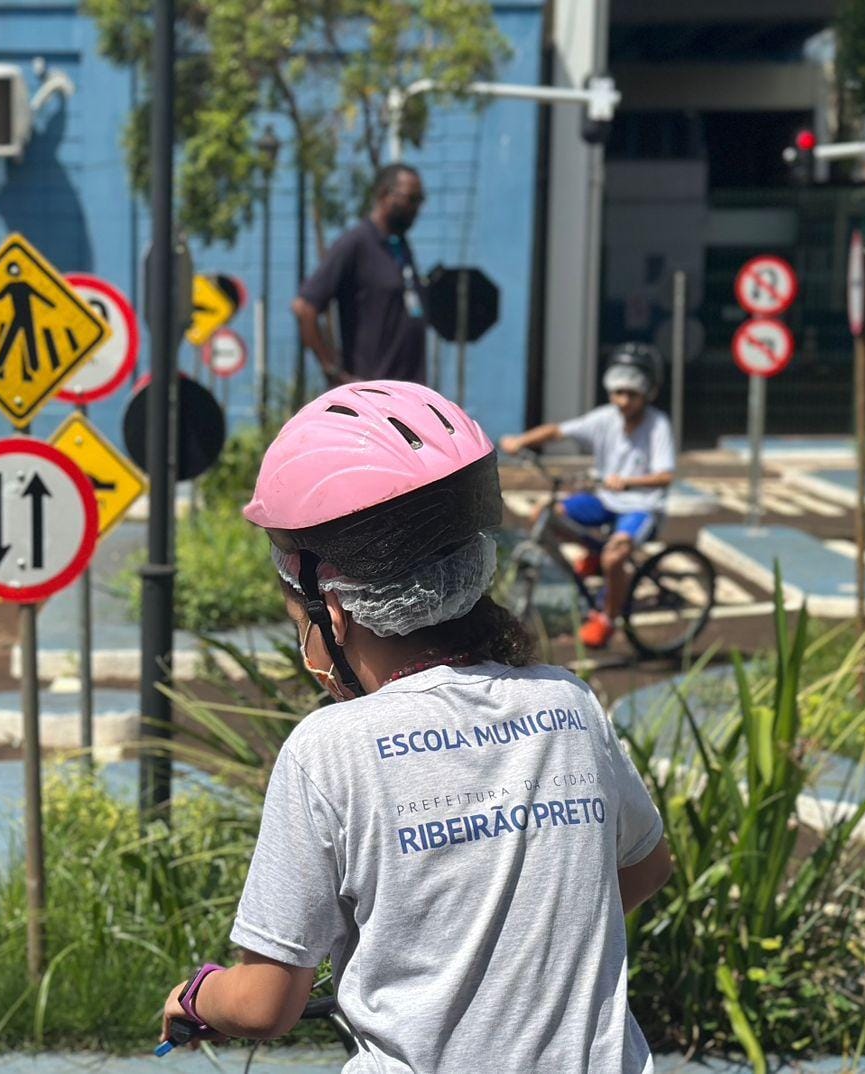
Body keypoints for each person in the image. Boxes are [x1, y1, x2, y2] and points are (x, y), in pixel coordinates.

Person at [157, 381, 673, 1072]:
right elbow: (646, 866)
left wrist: (198, 997)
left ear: (331, 610)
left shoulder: (329, 750)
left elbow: (264, 1003)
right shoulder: (568, 706)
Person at [499, 346, 676, 649]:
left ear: (649, 392)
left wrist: (629, 482)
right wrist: (521, 441)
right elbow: (558, 431)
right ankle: (594, 554)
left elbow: (666, 476)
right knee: (543, 515)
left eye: (631, 394)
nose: (623, 401)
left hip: (641, 507)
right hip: (606, 500)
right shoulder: (605, 418)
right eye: (618, 392)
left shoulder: (657, 425)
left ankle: (606, 618)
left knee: (615, 556)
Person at [291, 164, 427, 387]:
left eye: (419, 200)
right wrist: (333, 371)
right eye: (410, 199)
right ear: (384, 194)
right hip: (371, 394)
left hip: (408, 393)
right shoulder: (356, 243)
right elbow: (304, 308)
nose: (416, 208)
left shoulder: (401, 246)